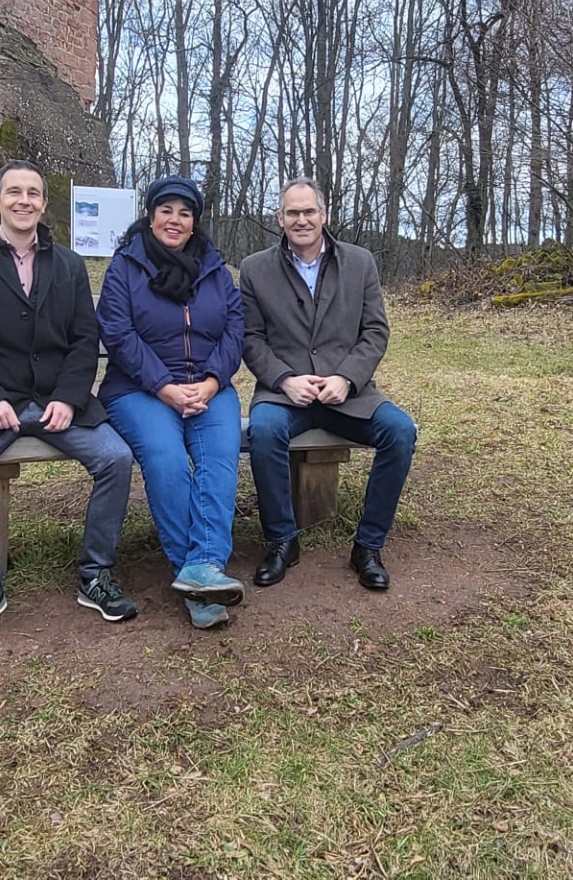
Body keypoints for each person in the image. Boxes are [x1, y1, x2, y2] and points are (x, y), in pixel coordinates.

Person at [0, 160, 137, 646]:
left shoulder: (66, 264)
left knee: (117, 458)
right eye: (14, 192)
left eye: (34, 193)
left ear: (45, 204)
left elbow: (85, 339)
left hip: (55, 403)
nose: (24, 200)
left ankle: (95, 575)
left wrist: (69, 398)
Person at [240, 178, 417, 591]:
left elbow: (375, 331)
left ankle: (368, 546)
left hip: (349, 395)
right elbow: (250, 338)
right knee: (262, 432)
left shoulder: (360, 263)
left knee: (400, 431)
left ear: (324, 215)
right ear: (279, 219)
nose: (301, 220)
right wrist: (284, 379)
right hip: (285, 395)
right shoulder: (255, 268)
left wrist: (347, 378)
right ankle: (283, 540)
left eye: (309, 211)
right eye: (292, 213)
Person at [96, 176, 248, 629]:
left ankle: (205, 566)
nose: (175, 220)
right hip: (139, 389)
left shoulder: (215, 270)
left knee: (220, 456)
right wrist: (163, 386)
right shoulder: (125, 267)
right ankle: (197, 575)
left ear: (195, 221)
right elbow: (118, 333)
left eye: (185, 212)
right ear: (150, 214)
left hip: (207, 387)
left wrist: (211, 380)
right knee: (167, 460)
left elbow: (234, 329)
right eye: (166, 210)